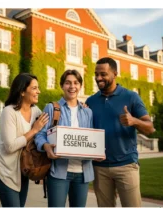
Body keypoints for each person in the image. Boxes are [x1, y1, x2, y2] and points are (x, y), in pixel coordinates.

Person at [86, 57, 155, 207]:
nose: (98, 78)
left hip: (126, 166)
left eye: (103, 74)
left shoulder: (131, 97)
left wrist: (134, 121)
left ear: (115, 73)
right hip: (100, 168)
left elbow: (150, 128)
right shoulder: (91, 101)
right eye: (96, 74)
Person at [35, 69, 94, 207]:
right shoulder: (51, 108)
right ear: (62, 86)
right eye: (68, 83)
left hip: (82, 173)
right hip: (59, 172)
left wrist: (97, 151)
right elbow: (40, 134)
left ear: (80, 86)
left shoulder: (88, 112)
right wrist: (46, 146)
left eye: (76, 83)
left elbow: (91, 138)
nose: (72, 86)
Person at [0, 73, 49, 207]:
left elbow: (52, 125)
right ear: (22, 91)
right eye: (34, 88)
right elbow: (10, 146)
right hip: (4, 169)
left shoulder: (36, 111)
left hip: (23, 169)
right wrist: (33, 130)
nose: (38, 91)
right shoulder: (9, 112)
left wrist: (81, 107)